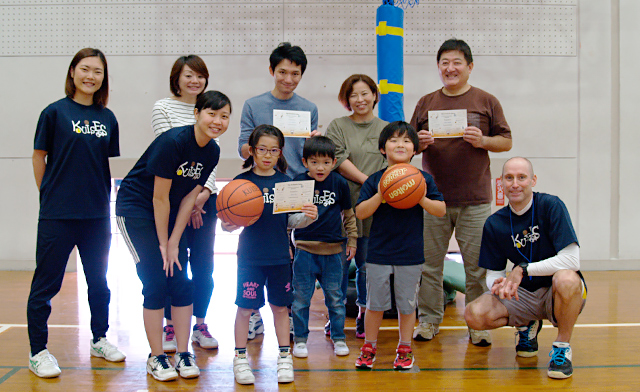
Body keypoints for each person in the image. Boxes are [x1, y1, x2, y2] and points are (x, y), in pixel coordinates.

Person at [116, 91, 230, 381]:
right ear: (196, 114)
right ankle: (156, 357)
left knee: (181, 280)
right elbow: (159, 198)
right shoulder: (172, 142)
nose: (217, 121)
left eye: (224, 116)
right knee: (155, 280)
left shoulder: (212, 151)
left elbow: (189, 198)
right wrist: (163, 244)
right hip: (137, 210)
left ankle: (182, 353)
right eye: (211, 113)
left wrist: (175, 242)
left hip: (168, 211)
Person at [28, 48, 125, 378]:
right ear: (72, 72)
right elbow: (39, 157)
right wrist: (49, 196)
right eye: (85, 69)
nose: (91, 76)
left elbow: (102, 164)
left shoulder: (107, 117)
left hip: (96, 215)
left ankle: (100, 338)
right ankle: (38, 351)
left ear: (103, 78)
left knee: (99, 282)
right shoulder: (54, 113)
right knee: (46, 285)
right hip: (58, 214)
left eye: (97, 71)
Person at [410, 38, 513, 346]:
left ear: (469, 67)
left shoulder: (486, 100)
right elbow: (406, 143)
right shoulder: (426, 102)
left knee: (476, 267)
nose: (450, 68)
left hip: (475, 199)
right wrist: (419, 143)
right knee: (429, 265)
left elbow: (506, 142)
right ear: (438, 67)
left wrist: (483, 141)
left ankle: (477, 322)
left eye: (457, 63)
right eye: (444, 63)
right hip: (433, 199)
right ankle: (428, 320)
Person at [464, 157, 586, 379]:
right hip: (523, 296)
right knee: (474, 314)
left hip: (555, 292)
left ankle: (562, 348)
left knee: (567, 279)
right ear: (501, 182)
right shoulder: (494, 223)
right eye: (509, 178)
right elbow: (494, 274)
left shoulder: (551, 206)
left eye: (522, 177)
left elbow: (571, 260)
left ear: (533, 180)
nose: (515, 184)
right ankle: (527, 325)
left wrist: (524, 269)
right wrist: (499, 286)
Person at [223, 125, 318, 385]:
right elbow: (226, 222)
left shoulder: (286, 183)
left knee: (279, 308)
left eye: (273, 150)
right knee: (245, 309)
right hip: (250, 258)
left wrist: (309, 217)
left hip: (279, 257)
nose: (267, 155)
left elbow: (292, 221)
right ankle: (240, 358)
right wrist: (228, 224)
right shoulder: (240, 182)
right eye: (262, 149)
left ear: (280, 152)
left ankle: (284, 357)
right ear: (252, 151)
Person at [237, 42, 319, 340]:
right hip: (259, 186)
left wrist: (315, 139)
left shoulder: (308, 108)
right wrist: (266, 141)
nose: (288, 78)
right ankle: (252, 312)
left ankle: (290, 314)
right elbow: (242, 147)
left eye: (295, 73)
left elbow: (308, 154)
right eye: (282, 72)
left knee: (291, 255)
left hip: (294, 185)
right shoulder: (253, 105)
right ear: (272, 71)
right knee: (259, 248)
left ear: (301, 75)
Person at [354, 122, 445, 370]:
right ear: (383, 149)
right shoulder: (376, 179)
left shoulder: (423, 179)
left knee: (407, 305)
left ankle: (405, 347)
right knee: (374, 305)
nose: (400, 144)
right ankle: (369, 346)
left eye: (406, 140)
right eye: (393, 140)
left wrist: (421, 196)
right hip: (378, 253)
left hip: (410, 253)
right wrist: (382, 194)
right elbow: (361, 212)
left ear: (415, 148)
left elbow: (440, 210)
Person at [151, 55, 219, 351]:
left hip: (204, 198)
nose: (195, 81)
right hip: (174, 198)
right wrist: (187, 201)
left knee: (204, 267)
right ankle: (170, 326)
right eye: (189, 75)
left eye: (200, 76)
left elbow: (210, 156)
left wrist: (203, 194)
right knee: (172, 263)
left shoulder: (210, 107)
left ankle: (199, 325)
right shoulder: (162, 108)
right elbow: (169, 155)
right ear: (176, 77)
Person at [326, 74, 388, 338]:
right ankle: (335, 317)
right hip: (343, 207)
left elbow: (395, 162)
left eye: (365, 93)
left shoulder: (388, 128)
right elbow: (338, 158)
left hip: (376, 208)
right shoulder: (338, 126)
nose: (360, 99)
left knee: (367, 266)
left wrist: (375, 191)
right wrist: (368, 182)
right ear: (346, 99)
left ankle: (364, 314)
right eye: (353, 95)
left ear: (375, 95)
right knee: (338, 267)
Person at [291, 136, 357, 358]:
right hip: (304, 250)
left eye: (326, 162)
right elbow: (287, 217)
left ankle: (339, 338)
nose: (321, 167)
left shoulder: (339, 182)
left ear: (334, 162)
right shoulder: (298, 182)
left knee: (336, 298)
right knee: (301, 298)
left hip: (333, 252)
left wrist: (353, 241)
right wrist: (287, 245)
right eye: (315, 162)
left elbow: (349, 215)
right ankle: (300, 340)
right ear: (304, 161)